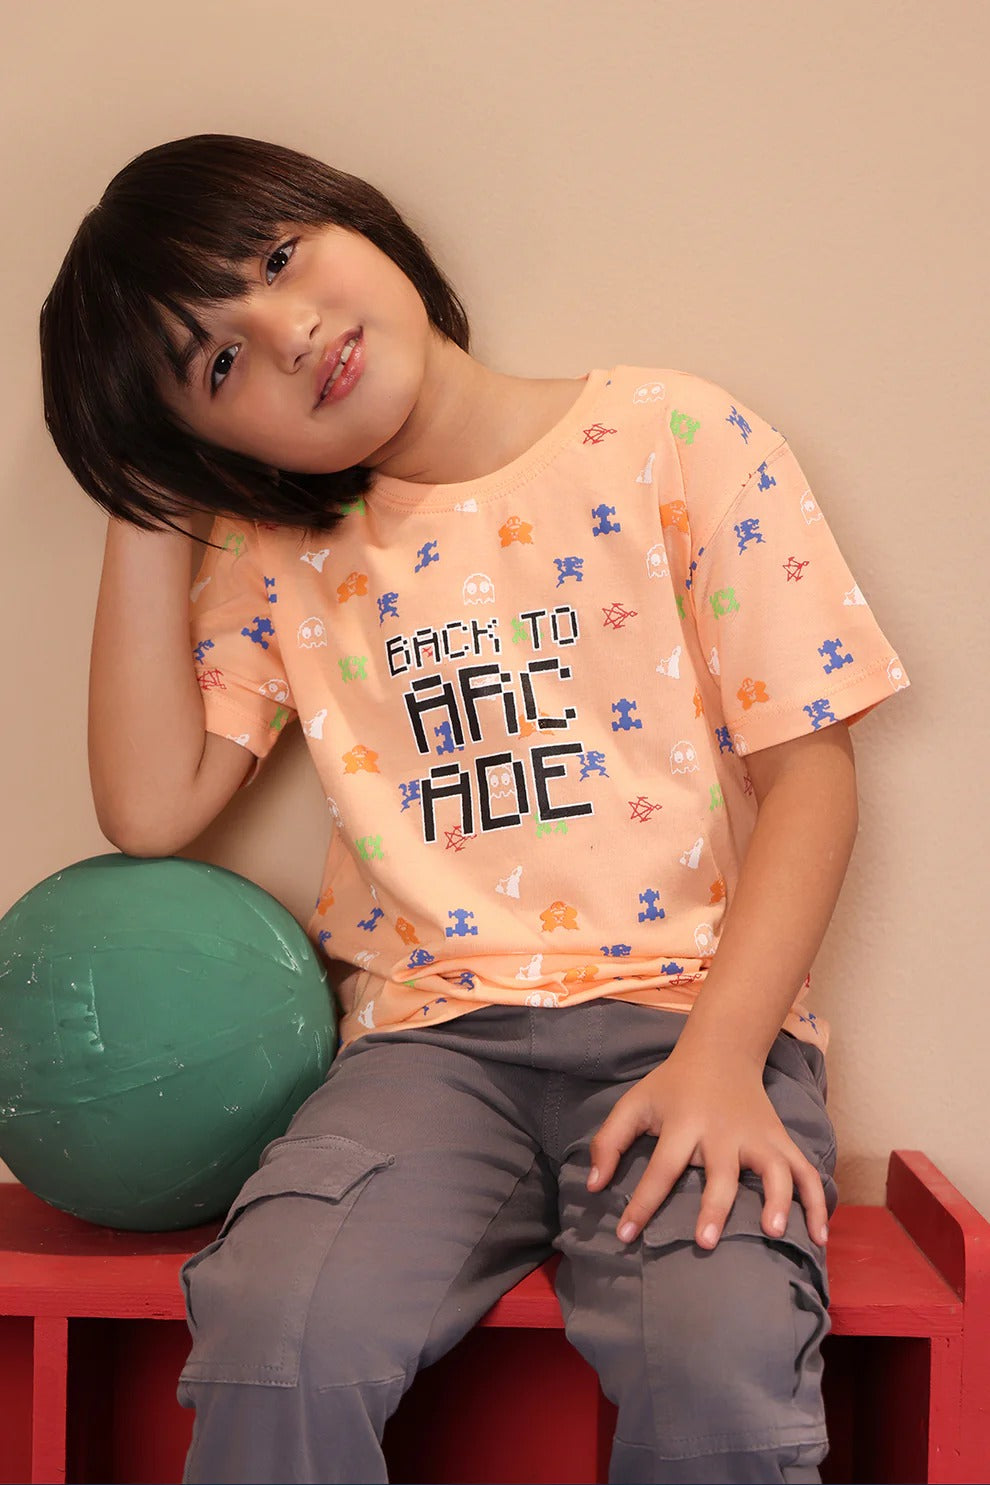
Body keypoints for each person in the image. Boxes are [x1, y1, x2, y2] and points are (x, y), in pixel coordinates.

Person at [39, 134, 910, 1485]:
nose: (286, 331)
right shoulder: (280, 554)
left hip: (690, 1022)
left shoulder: (677, 436)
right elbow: (152, 806)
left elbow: (811, 776)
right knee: (276, 1324)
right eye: (214, 366)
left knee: (719, 1358)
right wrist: (145, 491)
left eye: (277, 260)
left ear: (356, 222)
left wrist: (725, 1057)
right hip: (426, 1050)